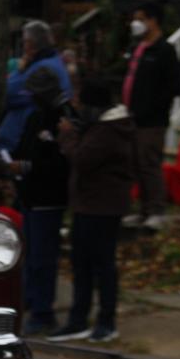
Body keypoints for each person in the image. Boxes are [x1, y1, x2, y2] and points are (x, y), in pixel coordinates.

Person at [49, 77, 136, 343]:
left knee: (102, 265)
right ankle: (78, 318)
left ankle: (106, 321)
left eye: (83, 104)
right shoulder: (99, 128)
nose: (80, 109)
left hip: (103, 207)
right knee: (81, 264)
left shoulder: (109, 131)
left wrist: (67, 136)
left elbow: (83, 160)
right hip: (88, 205)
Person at [10, 67, 74, 336]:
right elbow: (24, 146)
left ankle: (43, 312)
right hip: (29, 196)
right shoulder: (36, 116)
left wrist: (26, 166)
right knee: (29, 256)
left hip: (49, 198)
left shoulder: (64, 118)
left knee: (43, 259)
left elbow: (59, 162)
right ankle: (28, 302)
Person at [121, 2, 180, 230]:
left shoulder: (164, 50)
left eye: (141, 18)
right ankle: (143, 210)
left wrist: (151, 109)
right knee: (135, 164)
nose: (136, 23)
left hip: (151, 121)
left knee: (149, 164)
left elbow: (172, 87)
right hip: (132, 117)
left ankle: (156, 210)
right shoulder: (139, 47)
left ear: (153, 20)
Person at [0, 21, 72, 155]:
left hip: (21, 142)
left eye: (24, 42)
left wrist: (20, 71)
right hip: (29, 138)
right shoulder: (54, 62)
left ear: (29, 43)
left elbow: (5, 93)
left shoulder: (40, 68)